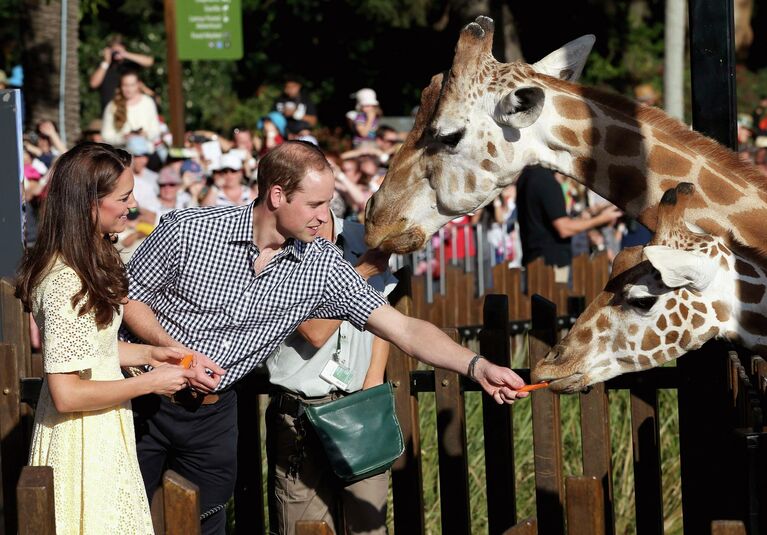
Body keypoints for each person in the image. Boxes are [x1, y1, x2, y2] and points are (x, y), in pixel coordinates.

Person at [122, 141, 527, 535]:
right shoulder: (190, 231)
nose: (324, 216)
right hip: (137, 400)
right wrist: (176, 353)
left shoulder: (323, 265)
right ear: (277, 195)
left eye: (328, 203)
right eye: (315, 204)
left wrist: (478, 366)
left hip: (211, 415)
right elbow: (127, 297)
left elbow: (403, 329)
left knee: (202, 524)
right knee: (121, 519)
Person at [14, 142, 196, 534]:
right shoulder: (65, 279)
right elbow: (67, 392)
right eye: (124, 197)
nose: (132, 206)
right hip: (79, 437)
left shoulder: (88, 260)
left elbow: (91, 349)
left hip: (100, 427)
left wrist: (152, 352)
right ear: (88, 204)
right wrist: (150, 382)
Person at [266, 209, 395, 535]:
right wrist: (359, 273)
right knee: (304, 528)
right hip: (301, 412)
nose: (316, 215)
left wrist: (373, 380)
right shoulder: (276, 251)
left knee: (369, 527)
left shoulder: (362, 238)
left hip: (359, 405)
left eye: (321, 203)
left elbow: (384, 316)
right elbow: (314, 331)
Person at [516, 166, 622, 283]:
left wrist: (590, 214)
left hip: (534, 259)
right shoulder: (546, 181)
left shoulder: (526, 176)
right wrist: (601, 219)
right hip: (550, 266)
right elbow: (564, 228)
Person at [89, 34, 154, 112]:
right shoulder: (104, 66)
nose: (116, 53)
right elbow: (93, 84)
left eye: (119, 49)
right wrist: (106, 62)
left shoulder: (129, 64)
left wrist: (126, 54)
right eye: (114, 50)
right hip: (111, 110)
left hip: (132, 109)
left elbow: (149, 62)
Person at [101, 70, 161, 148]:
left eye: (132, 85)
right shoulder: (112, 106)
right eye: (125, 85)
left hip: (146, 152)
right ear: (120, 86)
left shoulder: (147, 102)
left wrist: (145, 135)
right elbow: (106, 136)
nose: (128, 89)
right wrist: (124, 138)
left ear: (138, 85)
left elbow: (155, 130)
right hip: (122, 154)